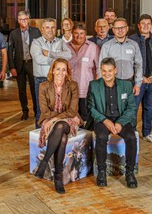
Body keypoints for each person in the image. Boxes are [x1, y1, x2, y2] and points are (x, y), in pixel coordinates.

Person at [88, 57, 139, 189]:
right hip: (102, 118)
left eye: (110, 70)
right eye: (104, 71)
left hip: (121, 118)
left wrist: (120, 122)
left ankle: (129, 173)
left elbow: (131, 108)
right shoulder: (94, 85)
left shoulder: (126, 85)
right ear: (100, 70)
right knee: (101, 137)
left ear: (115, 70)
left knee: (131, 137)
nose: (107, 74)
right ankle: (102, 172)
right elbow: (91, 108)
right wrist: (105, 120)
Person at [34, 58, 81, 194]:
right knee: (63, 139)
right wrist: (54, 118)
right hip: (48, 119)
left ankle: (44, 162)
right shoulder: (43, 86)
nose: (61, 72)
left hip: (70, 120)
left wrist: (55, 118)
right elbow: (44, 111)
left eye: (64, 70)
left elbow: (72, 111)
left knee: (60, 126)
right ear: (53, 70)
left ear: (67, 72)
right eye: (58, 69)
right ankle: (58, 177)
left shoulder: (73, 85)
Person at [129, 14, 152, 144]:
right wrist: (139, 78)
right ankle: (132, 132)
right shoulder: (131, 40)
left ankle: (147, 133)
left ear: (151, 25)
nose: (145, 26)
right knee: (133, 108)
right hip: (138, 82)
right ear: (138, 26)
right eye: (143, 24)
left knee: (149, 108)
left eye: (148, 24)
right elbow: (129, 62)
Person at [30, 18, 73, 128]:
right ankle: (40, 134)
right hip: (42, 81)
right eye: (47, 27)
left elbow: (68, 55)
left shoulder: (61, 42)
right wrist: (58, 60)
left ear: (56, 29)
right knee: (42, 111)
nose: (50, 30)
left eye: (53, 27)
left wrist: (50, 54)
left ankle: (54, 133)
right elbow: (39, 59)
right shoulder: (36, 43)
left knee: (58, 110)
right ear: (42, 29)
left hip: (58, 81)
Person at [8, 11, 41, 121]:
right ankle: (25, 111)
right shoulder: (13, 34)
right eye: (21, 19)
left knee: (34, 88)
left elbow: (41, 47)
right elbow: (10, 51)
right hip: (19, 65)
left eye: (25, 19)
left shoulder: (36, 31)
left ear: (28, 19)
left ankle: (37, 111)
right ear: (18, 20)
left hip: (32, 64)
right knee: (21, 90)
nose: (24, 21)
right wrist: (12, 67)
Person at [100, 18, 143, 96]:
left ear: (127, 28)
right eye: (117, 28)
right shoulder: (106, 46)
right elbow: (101, 67)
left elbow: (138, 65)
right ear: (113, 30)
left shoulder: (134, 45)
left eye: (122, 27)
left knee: (129, 104)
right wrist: (102, 85)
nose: (120, 30)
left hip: (129, 83)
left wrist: (138, 84)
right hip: (111, 83)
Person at [67, 22, 99, 121]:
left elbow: (99, 68)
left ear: (85, 34)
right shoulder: (65, 47)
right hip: (69, 90)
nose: (79, 36)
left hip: (86, 90)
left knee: (86, 117)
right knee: (71, 117)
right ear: (72, 33)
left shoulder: (93, 47)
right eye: (76, 33)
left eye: (81, 33)